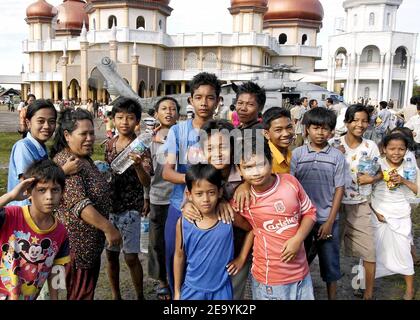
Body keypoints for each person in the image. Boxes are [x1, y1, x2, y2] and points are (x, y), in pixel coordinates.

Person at [232, 133, 317, 300]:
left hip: (302, 273)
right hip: (270, 279)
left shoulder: (290, 182)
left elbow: (310, 212)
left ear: (271, 161)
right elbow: (246, 228)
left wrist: (298, 239)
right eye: (248, 167)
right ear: (239, 170)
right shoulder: (242, 200)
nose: (255, 173)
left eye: (260, 164)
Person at [51, 109, 122, 300]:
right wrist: (109, 228)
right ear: (67, 135)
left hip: (88, 247)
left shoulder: (83, 158)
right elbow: (79, 204)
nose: (90, 138)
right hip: (77, 249)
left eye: (92, 132)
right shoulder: (69, 161)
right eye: (83, 134)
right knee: (79, 295)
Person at [162, 72, 221, 293]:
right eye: (198, 97)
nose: (204, 103)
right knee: (174, 255)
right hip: (180, 205)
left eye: (210, 97)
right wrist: (196, 184)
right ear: (190, 100)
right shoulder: (178, 131)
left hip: (214, 207)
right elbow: (168, 172)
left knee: (207, 264)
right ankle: (177, 295)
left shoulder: (223, 132)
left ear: (218, 101)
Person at [182, 120, 253, 300]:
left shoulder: (247, 173)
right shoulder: (199, 174)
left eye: (223, 147)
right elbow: (189, 199)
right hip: (207, 253)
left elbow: (254, 224)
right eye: (210, 148)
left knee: (232, 294)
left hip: (238, 247)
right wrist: (188, 205)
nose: (217, 153)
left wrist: (246, 183)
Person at [173, 164, 252, 300]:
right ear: (189, 195)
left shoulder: (228, 216)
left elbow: (252, 229)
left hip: (222, 289)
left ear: (220, 192)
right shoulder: (183, 222)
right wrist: (177, 291)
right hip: (192, 290)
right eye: (199, 194)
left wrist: (241, 258)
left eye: (211, 192)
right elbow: (179, 256)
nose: (206, 199)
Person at [290, 108, 346, 300]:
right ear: (307, 129)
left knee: (330, 263)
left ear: (332, 131)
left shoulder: (337, 156)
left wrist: (330, 221)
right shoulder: (297, 154)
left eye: (326, 129)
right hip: (303, 219)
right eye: (316, 128)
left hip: (327, 219)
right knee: (299, 260)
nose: (320, 133)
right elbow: (292, 188)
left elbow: (340, 188)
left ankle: (332, 297)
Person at [0, 160, 70, 300]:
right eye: (42, 190)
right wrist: (10, 196)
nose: (49, 197)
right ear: (29, 192)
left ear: (62, 192)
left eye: (55, 190)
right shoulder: (10, 216)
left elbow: (57, 270)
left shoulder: (61, 232)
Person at [104, 97, 152, 301]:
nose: (124, 122)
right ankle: (116, 296)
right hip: (110, 207)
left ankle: (140, 295)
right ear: (113, 120)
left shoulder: (140, 146)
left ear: (137, 121)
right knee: (111, 255)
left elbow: (146, 180)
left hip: (132, 207)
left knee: (131, 257)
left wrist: (138, 165)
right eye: (120, 117)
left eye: (130, 118)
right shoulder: (109, 144)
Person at [335, 104, 382, 300]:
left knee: (368, 250)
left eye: (364, 121)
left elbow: (381, 172)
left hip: (361, 203)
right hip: (335, 206)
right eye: (355, 120)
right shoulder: (333, 144)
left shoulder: (370, 147)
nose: (360, 124)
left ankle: (368, 293)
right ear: (346, 122)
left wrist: (371, 179)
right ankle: (332, 291)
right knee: (331, 250)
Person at [7, 99, 80, 206]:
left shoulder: (41, 147)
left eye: (51, 121)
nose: (46, 126)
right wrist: (64, 170)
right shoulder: (23, 146)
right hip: (22, 213)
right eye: (41, 121)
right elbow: (28, 183)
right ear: (28, 123)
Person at [371, 133, 417, 300]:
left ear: (406, 150)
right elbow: (366, 191)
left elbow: (417, 189)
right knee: (373, 252)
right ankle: (365, 286)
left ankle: (410, 290)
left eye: (401, 149)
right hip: (379, 213)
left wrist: (403, 180)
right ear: (384, 149)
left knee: (404, 251)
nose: (396, 153)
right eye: (392, 149)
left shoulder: (410, 166)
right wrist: (375, 212)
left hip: (401, 214)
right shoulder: (377, 164)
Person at [147, 96, 179, 300]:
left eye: (173, 108)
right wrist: (145, 198)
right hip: (158, 197)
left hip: (179, 198)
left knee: (178, 243)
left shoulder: (185, 135)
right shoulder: (148, 140)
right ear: (156, 113)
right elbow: (147, 173)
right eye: (164, 108)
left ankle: (178, 279)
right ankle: (162, 280)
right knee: (157, 242)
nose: (169, 112)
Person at [262, 107, 294, 174]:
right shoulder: (264, 161)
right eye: (278, 130)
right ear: (266, 134)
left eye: (289, 127)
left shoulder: (292, 155)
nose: (286, 134)